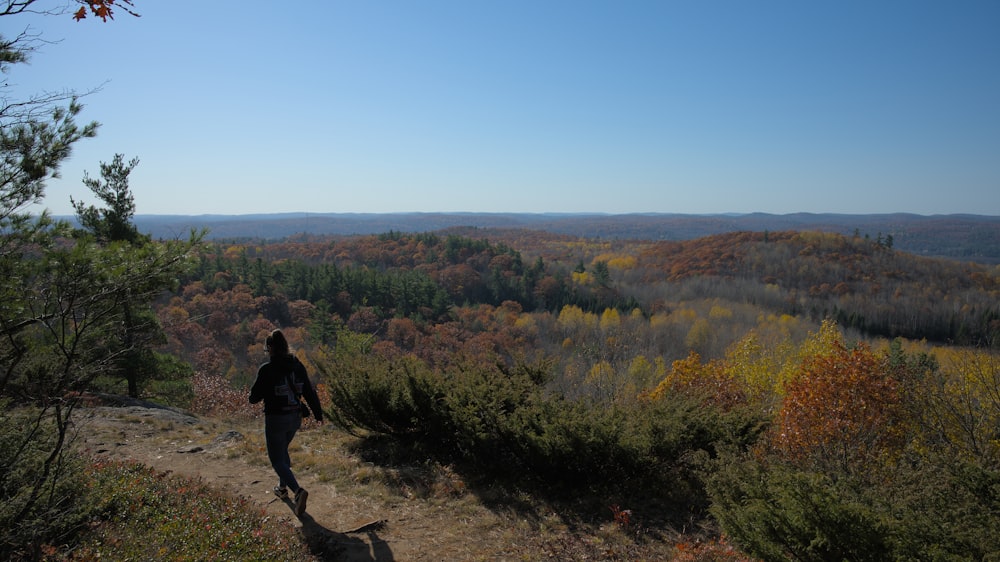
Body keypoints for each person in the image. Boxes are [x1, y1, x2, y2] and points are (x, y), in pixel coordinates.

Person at [249, 329, 323, 517]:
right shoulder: (297, 365)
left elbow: (253, 398)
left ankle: (297, 492)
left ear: (271, 348)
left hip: (276, 418)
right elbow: (309, 391)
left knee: (277, 460)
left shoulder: (267, 369)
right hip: (295, 418)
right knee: (282, 452)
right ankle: (282, 489)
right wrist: (318, 413)